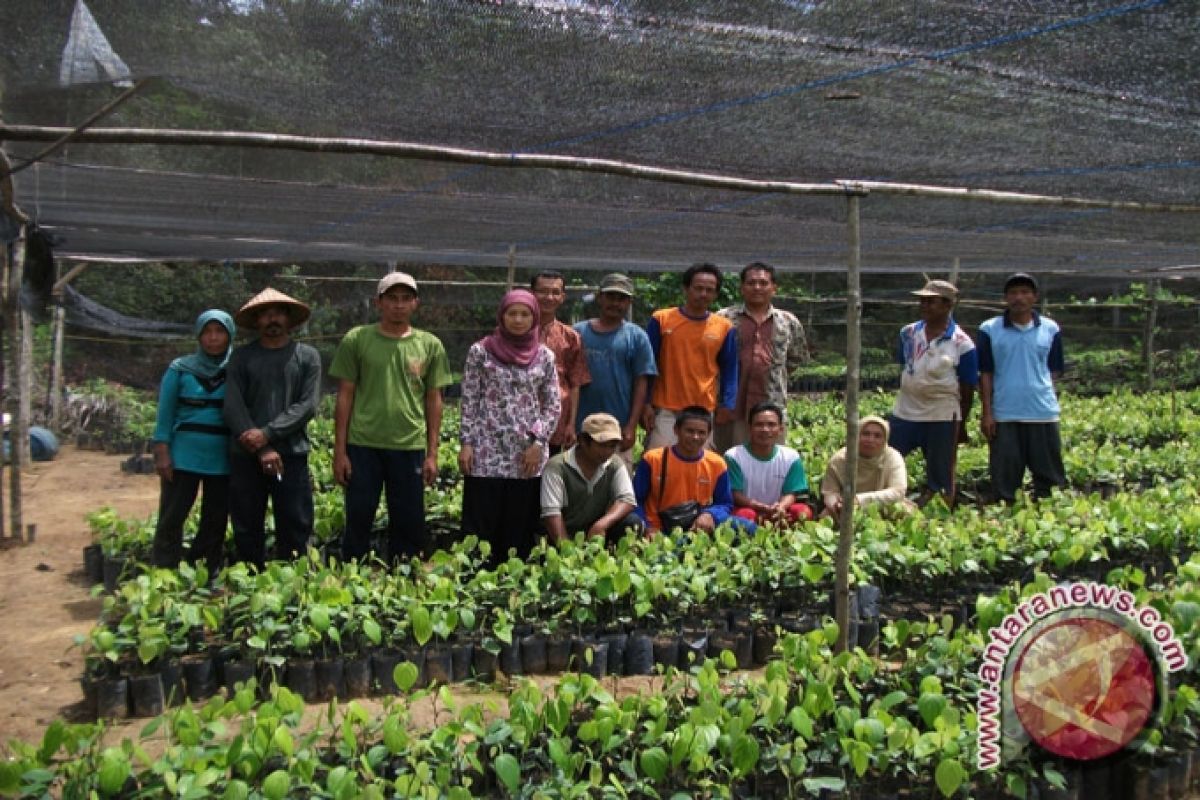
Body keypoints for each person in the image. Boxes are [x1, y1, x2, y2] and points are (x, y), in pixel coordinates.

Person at [330, 272, 452, 563]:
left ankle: (403, 578)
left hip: (408, 445)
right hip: (363, 444)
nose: (399, 305)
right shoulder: (357, 339)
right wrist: (340, 450)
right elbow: (345, 395)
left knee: (409, 521)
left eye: (405, 299)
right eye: (392, 299)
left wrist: (432, 453)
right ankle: (352, 573)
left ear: (415, 304)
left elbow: (434, 400)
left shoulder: (430, 344)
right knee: (358, 515)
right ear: (379, 303)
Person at [459, 289, 561, 561]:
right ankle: (475, 586)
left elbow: (552, 405)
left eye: (525, 314)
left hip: (526, 455)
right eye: (511, 313)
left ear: (534, 317)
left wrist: (539, 443)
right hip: (486, 452)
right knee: (480, 526)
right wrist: (466, 443)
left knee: (519, 527)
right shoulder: (480, 352)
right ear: (501, 316)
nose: (518, 319)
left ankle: (513, 590)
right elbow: (469, 400)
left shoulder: (545, 357)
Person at [223, 288, 322, 568]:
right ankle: (250, 582)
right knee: (246, 524)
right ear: (257, 321)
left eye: (278, 313)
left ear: (289, 319)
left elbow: (307, 405)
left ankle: (293, 583)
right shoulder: (241, 358)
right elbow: (233, 406)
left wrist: (267, 434)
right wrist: (262, 447)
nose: (272, 319)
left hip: (291, 454)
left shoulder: (307, 357)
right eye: (265, 315)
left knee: (295, 522)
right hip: (247, 456)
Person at [150, 309, 236, 574]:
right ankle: (165, 571)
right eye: (207, 332)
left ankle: (202, 570)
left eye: (219, 331)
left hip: (222, 455)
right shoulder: (180, 369)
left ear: (230, 335)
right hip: (183, 455)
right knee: (173, 514)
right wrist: (162, 450)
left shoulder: (237, 368)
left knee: (215, 518)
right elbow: (165, 414)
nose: (213, 338)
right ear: (199, 337)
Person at [978, 273, 1066, 502]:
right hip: (1005, 414)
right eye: (1014, 293)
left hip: (1042, 413)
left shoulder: (1050, 328)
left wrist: (1039, 391)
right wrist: (987, 412)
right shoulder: (989, 329)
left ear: (1034, 297)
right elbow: (985, 373)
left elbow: (1054, 370)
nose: (1019, 297)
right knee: (1005, 479)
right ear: (1006, 298)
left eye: (1025, 292)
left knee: (1049, 478)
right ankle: (1007, 523)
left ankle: (1048, 522)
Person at [889, 279, 978, 503]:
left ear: (948, 305)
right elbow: (907, 366)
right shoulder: (908, 333)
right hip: (906, 410)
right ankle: (887, 497)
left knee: (941, 468)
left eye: (932, 302)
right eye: (922, 301)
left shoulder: (962, 343)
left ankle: (939, 506)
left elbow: (967, 387)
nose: (925, 306)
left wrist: (961, 423)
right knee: (889, 455)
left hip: (942, 413)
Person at [642, 263, 738, 449]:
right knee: (660, 464)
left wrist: (728, 404)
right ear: (686, 289)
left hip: (702, 411)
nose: (703, 294)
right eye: (698, 288)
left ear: (716, 294)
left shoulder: (724, 327)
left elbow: (730, 369)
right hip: (665, 409)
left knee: (698, 467)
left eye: (709, 290)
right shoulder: (661, 319)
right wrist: (645, 403)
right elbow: (647, 365)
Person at [715, 262, 808, 452]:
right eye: (751, 283)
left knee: (770, 459)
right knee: (729, 460)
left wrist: (770, 373)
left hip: (772, 406)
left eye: (763, 283)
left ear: (774, 288)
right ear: (742, 287)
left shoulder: (788, 321)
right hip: (731, 407)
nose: (757, 287)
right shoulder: (723, 319)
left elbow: (795, 358)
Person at [574, 273, 657, 467]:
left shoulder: (636, 337)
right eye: (611, 297)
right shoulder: (577, 333)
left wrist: (631, 426)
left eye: (622, 299)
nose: (615, 303)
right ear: (599, 297)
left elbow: (641, 382)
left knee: (618, 487)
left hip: (617, 429)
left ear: (629, 302)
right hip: (581, 429)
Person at [633, 406, 754, 535]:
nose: (695, 437)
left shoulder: (717, 463)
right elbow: (635, 500)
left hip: (699, 526)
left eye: (701, 432)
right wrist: (646, 526)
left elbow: (725, 503)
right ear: (676, 430)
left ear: (708, 434)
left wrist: (710, 514)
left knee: (749, 528)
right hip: (660, 527)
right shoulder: (653, 459)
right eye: (689, 431)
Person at [540, 413, 644, 544]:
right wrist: (567, 551)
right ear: (582, 441)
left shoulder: (615, 463)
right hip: (562, 534)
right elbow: (551, 514)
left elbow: (627, 499)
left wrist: (601, 524)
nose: (607, 452)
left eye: (611, 446)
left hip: (597, 534)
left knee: (632, 522)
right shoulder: (557, 467)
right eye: (601, 445)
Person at [531, 270, 591, 454]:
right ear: (532, 293)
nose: (549, 297)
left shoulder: (571, 337)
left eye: (555, 292)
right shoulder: (514, 332)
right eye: (543, 291)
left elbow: (575, 383)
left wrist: (571, 424)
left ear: (562, 297)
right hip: (520, 417)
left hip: (557, 421)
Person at [725, 402, 813, 526]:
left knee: (803, 512)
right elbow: (735, 494)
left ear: (781, 429)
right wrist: (759, 507)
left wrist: (781, 507)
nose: (765, 430)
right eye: (759, 425)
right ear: (749, 428)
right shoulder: (734, 456)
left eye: (771, 425)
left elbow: (791, 493)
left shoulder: (791, 457)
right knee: (744, 516)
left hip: (779, 511)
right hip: (750, 510)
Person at [820, 416, 912, 521]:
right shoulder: (840, 459)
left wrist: (859, 500)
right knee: (825, 518)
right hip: (847, 508)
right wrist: (836, 505)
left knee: (906, 515)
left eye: (877, 436)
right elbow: (830, 491)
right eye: (865, 434)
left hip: (885, 504)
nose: (870, 440)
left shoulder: (893, 457)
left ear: (885, 439)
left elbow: (898, 492)